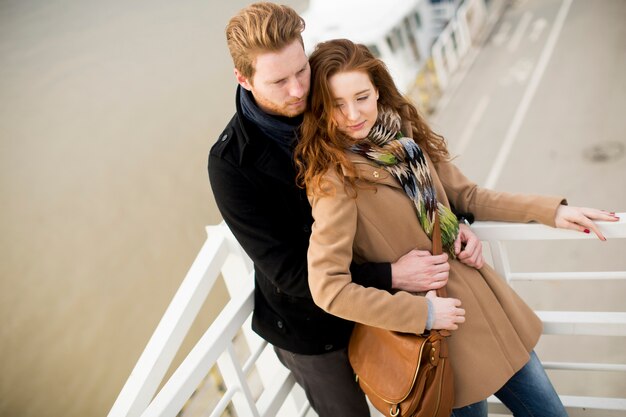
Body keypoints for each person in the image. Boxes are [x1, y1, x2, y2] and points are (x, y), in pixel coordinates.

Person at [294, 38, 620, 417]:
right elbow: (328, 288)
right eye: (337, 104)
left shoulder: (405, 138)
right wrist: (422, 315)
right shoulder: (335, 181)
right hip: (440, 337)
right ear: (321, 107)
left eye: (362, 97)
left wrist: (551, 212)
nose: (353, 115)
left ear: (378, 91)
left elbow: (467, 195)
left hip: (488, 314)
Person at [208, 3, 484, 416]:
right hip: (313, 327)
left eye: (301, 70)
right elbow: (289, 273)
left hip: (388, 296)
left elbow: (399, 172)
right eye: (278, 81)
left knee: (430, 395)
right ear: (243, 79)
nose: (299, 90)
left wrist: (453, 222)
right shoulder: (231, 165)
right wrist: (391, 274)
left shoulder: (331, 102)